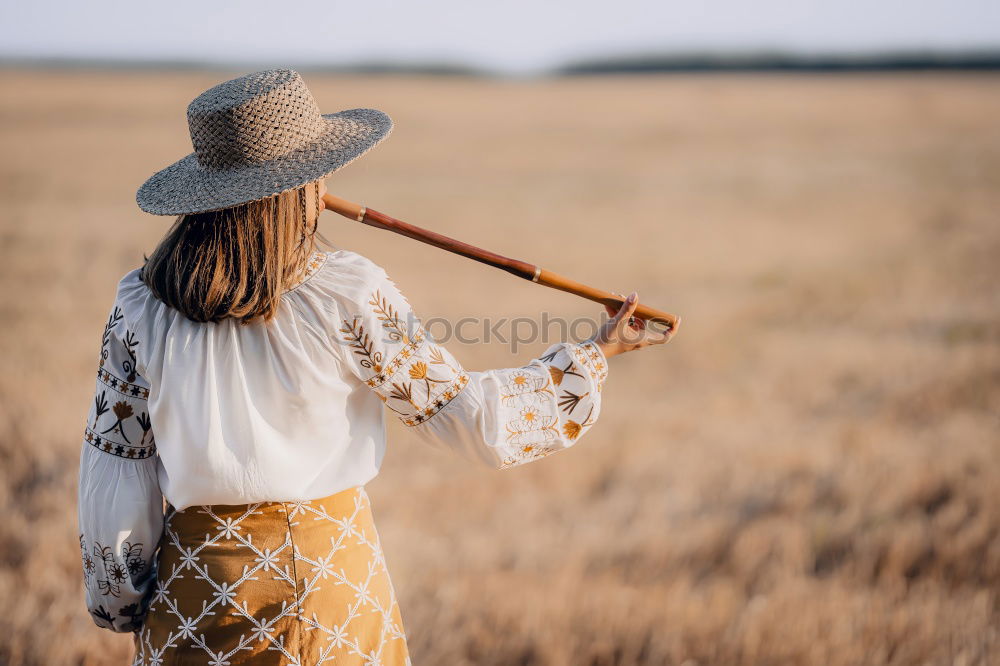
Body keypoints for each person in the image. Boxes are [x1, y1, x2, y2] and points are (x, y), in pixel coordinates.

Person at [77, 69, 672, 665]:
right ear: (298, 187)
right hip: (331, 584)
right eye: (317, 170)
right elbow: (470, 420)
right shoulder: (348, 292)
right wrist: (594, 355)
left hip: (195, 592)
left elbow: (116, 470)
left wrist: (123, 604)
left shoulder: (139, 305)